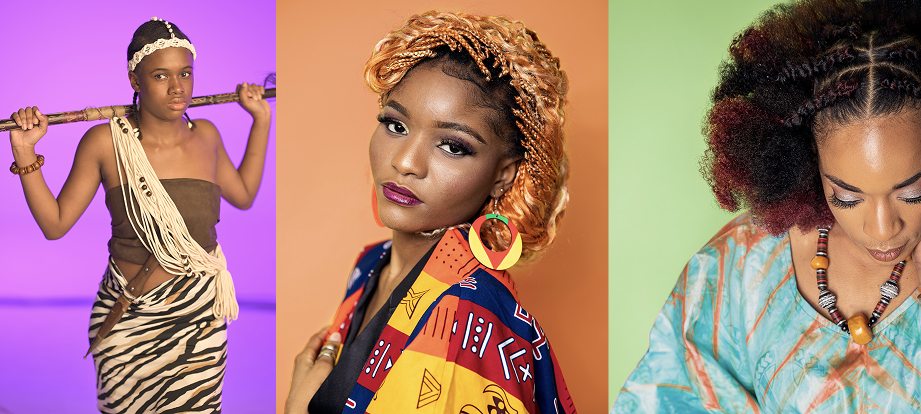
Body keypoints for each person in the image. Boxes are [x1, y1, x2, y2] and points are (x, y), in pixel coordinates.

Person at [614, 0, 921, 412]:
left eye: (911, 191)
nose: (882, 228)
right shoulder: (740, 268)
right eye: (847, 195)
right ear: (806, 162)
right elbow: (666, 398)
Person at [284, 11, 577, 414]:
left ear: (502, 176)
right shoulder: (370, 263)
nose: (405, 162)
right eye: (395, 125)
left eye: (453, 146)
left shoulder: (477, 320)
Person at [6, 17, 270, 413]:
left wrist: (261, 119)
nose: (178, 87)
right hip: (127, 321)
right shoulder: (105, 142)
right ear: (135, 80)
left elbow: (245, 195)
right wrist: (25, 152)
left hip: (199, 319)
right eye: (161, 75)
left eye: (185, 73)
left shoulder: (208, 136)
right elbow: (54, 224)